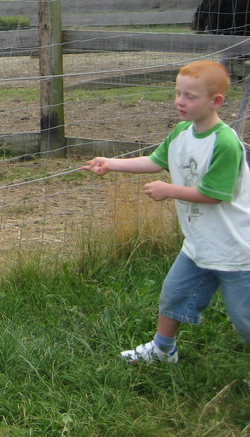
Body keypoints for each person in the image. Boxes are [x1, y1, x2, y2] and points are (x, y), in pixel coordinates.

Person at [83, 59, 250, 363]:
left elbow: (213, 195)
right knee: (174, 293)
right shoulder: (182, 132)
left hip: (236, 249)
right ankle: (163, 350)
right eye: (178, 93)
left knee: (245, 317)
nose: (180, 101)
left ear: (216, 101)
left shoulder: (225, 143)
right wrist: (111, 164)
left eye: (190, 96)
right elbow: (157, 160)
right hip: (200, 242)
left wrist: (169, 190)